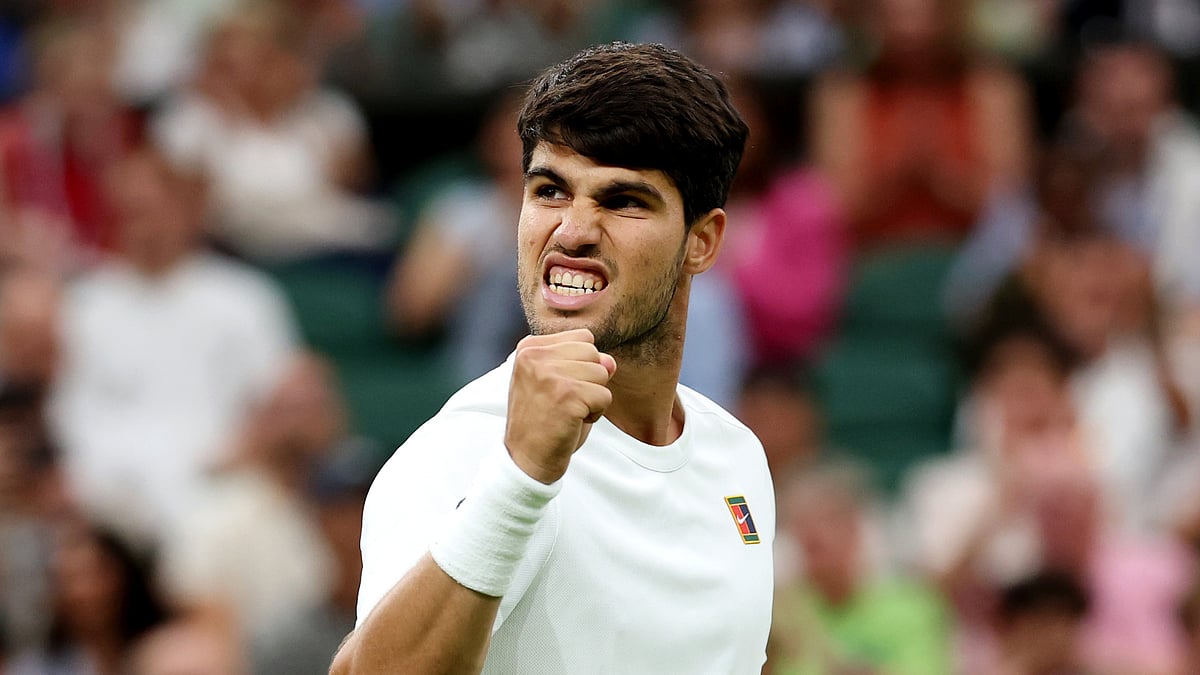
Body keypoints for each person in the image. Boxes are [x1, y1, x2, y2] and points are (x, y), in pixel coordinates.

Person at [331, 42, 774, 674]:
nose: (572, 231)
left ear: (701, 241)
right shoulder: (464, 449)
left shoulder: (737, 457)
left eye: (622, 200)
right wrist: (521, 476)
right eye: (549, 191)